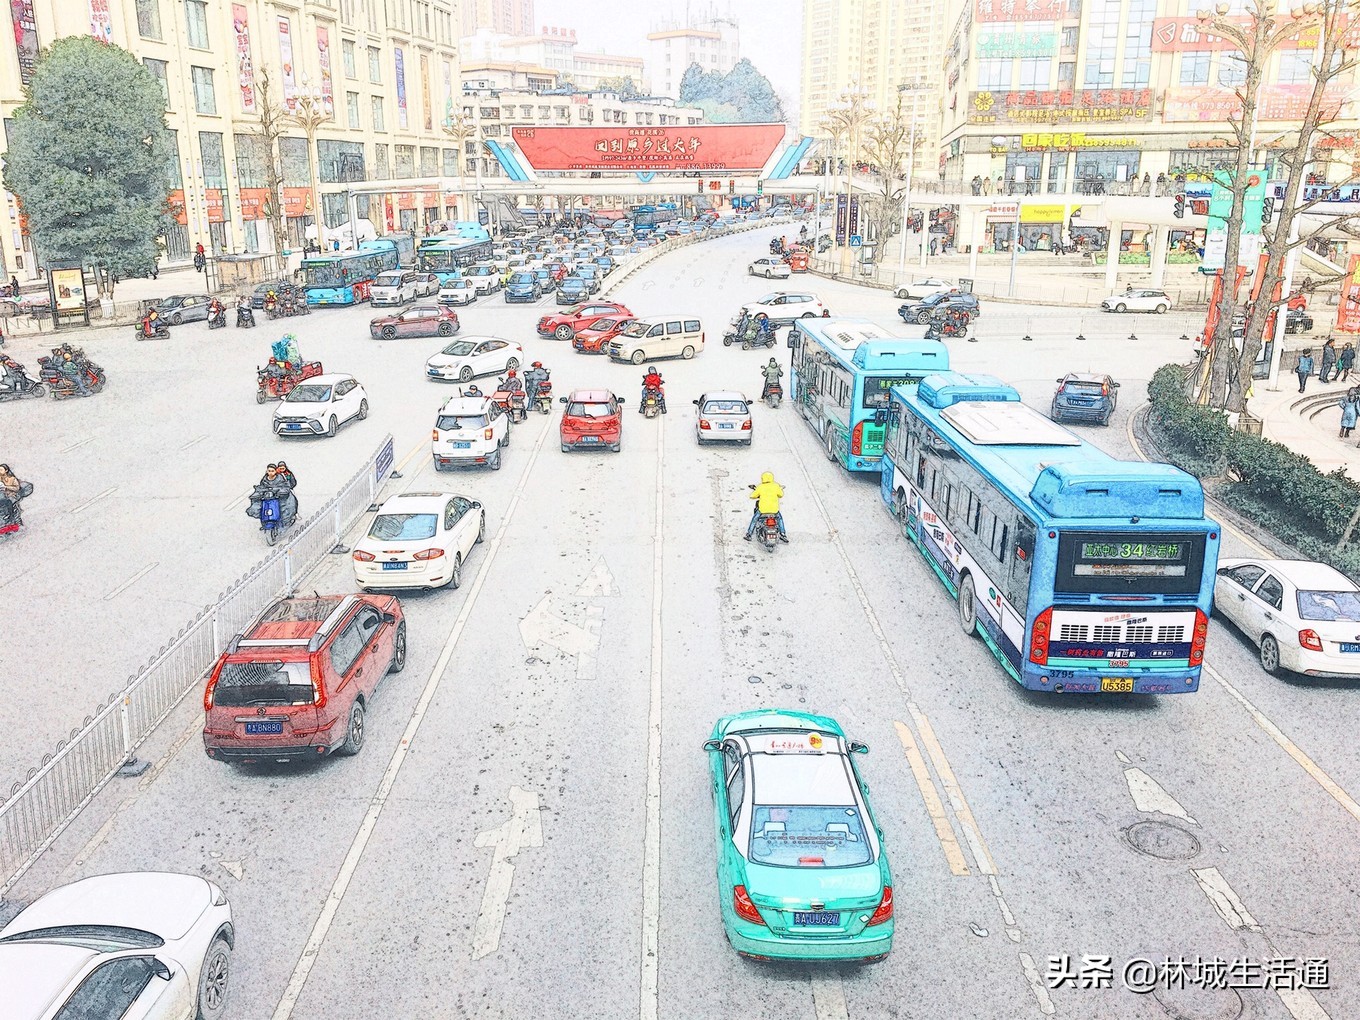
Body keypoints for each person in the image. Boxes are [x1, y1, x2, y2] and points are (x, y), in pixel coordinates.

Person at [745, 471, 787, 543]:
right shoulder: (776, 486)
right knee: (780, 519)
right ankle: (783, 534)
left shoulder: (760, 487)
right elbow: (781, 495)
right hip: (774, 511)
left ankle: (749, 534)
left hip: (763, 511)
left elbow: (752, 496)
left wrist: (758, 494)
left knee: (754, 519)